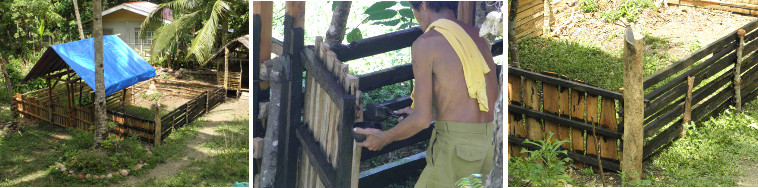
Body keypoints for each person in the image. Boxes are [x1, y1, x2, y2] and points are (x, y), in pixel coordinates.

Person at [354, 1, 498, 187]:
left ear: (422, 4)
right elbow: (475, 99)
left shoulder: (427, 43)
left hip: (458, 149)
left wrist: (384, 137)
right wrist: (426, 111)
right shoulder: (477, 38)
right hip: (490, 145)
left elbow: (422, 120)